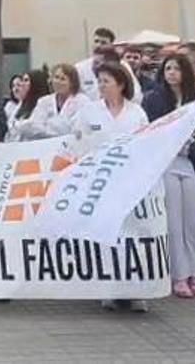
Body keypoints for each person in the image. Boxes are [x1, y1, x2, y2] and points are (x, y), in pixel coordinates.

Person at [72, 61, 150, 314]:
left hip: (129, 181)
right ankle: (109, 289)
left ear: (121, 84)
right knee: (106, 235)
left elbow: (147, 143)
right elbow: (79, 144)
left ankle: (137, 291)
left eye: (106, 81)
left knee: (133, 235)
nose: (101, 86)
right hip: (99, 183)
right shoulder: (89, 112)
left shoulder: (136, 112)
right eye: (99, 82)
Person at [142, 54, 195, 299]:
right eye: (168, 68)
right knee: (174, 222)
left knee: (193, 223)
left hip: (192, 164)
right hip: (167, 164)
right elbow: (152, 132)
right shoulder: (154, 99)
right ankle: (179, 276)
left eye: (177, 68)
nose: (172, 72)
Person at [21, 64, 90, 141]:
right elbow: (33, 127)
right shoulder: (44, 101)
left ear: (72, 83)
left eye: (63, 79)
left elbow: (76, 129)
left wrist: (47, 126)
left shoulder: (82, 101)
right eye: (56, 77)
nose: (58, 82)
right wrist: (57, 128)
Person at [5, 70, 49, 142]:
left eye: (26, 80)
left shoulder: (43, 102)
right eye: (22, 80)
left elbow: (34, 126)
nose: (22, 84)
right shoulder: (22, 103)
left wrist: (17, 125)